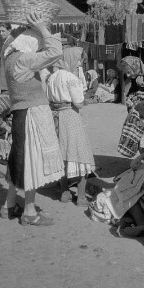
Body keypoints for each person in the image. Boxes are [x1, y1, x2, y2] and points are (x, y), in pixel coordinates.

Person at [1, 12, 65, 226]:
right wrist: (43, 28)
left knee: (18, 158)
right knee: (32, 161)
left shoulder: (9, 57)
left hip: (20, 112)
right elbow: (56, 50)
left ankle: (9, 205)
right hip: (31, 114)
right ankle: (29, 211)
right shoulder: (25, 60)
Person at [46, 47, 95, 206]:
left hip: (55, 117)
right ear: (71, 59)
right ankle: (81, 197)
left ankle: (65, 192)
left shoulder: (52, 77)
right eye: (78, 59)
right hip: (70, 117)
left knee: (62, 155)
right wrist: (87, 101)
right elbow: (78, 103)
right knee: (80, 156)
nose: (80, 63)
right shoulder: (71, 77)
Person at [0, 22, 13, 93]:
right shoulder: (6, 42)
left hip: (7, 80)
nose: (1, 33)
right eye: (0, 31)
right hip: (4, 78)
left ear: (9, 31)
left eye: (3, 31)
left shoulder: (12, 42)